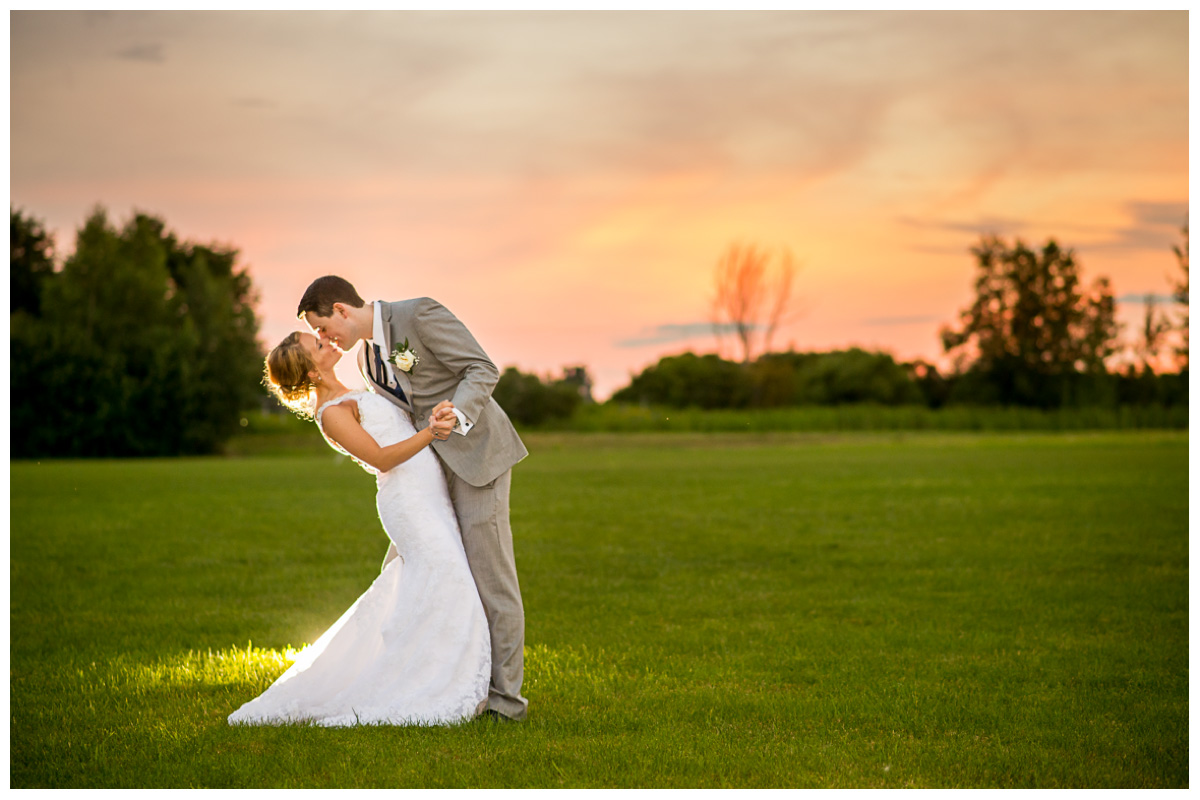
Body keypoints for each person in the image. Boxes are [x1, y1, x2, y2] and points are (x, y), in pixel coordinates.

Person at [228, 331, 490, 727]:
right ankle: (430, 683)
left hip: (428, 495)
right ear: (313, 373)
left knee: (436, 585)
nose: (327, 342)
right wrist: (430, 434)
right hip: (409, 503)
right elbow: (381, 459)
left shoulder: (353, 390)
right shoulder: (331, 412)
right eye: (318, 346)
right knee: (449, 581)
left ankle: (430, 670)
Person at [297, 275, 529, 722]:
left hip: (477, 458)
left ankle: (506, 704)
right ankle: (433, 682)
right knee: (411, 579)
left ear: (342, 310)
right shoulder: (365, 357)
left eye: (324, 329)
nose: (326, 339)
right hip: (426, 481)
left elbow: (481, 368)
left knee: (490, 581)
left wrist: (456, 413)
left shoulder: (418, 314)